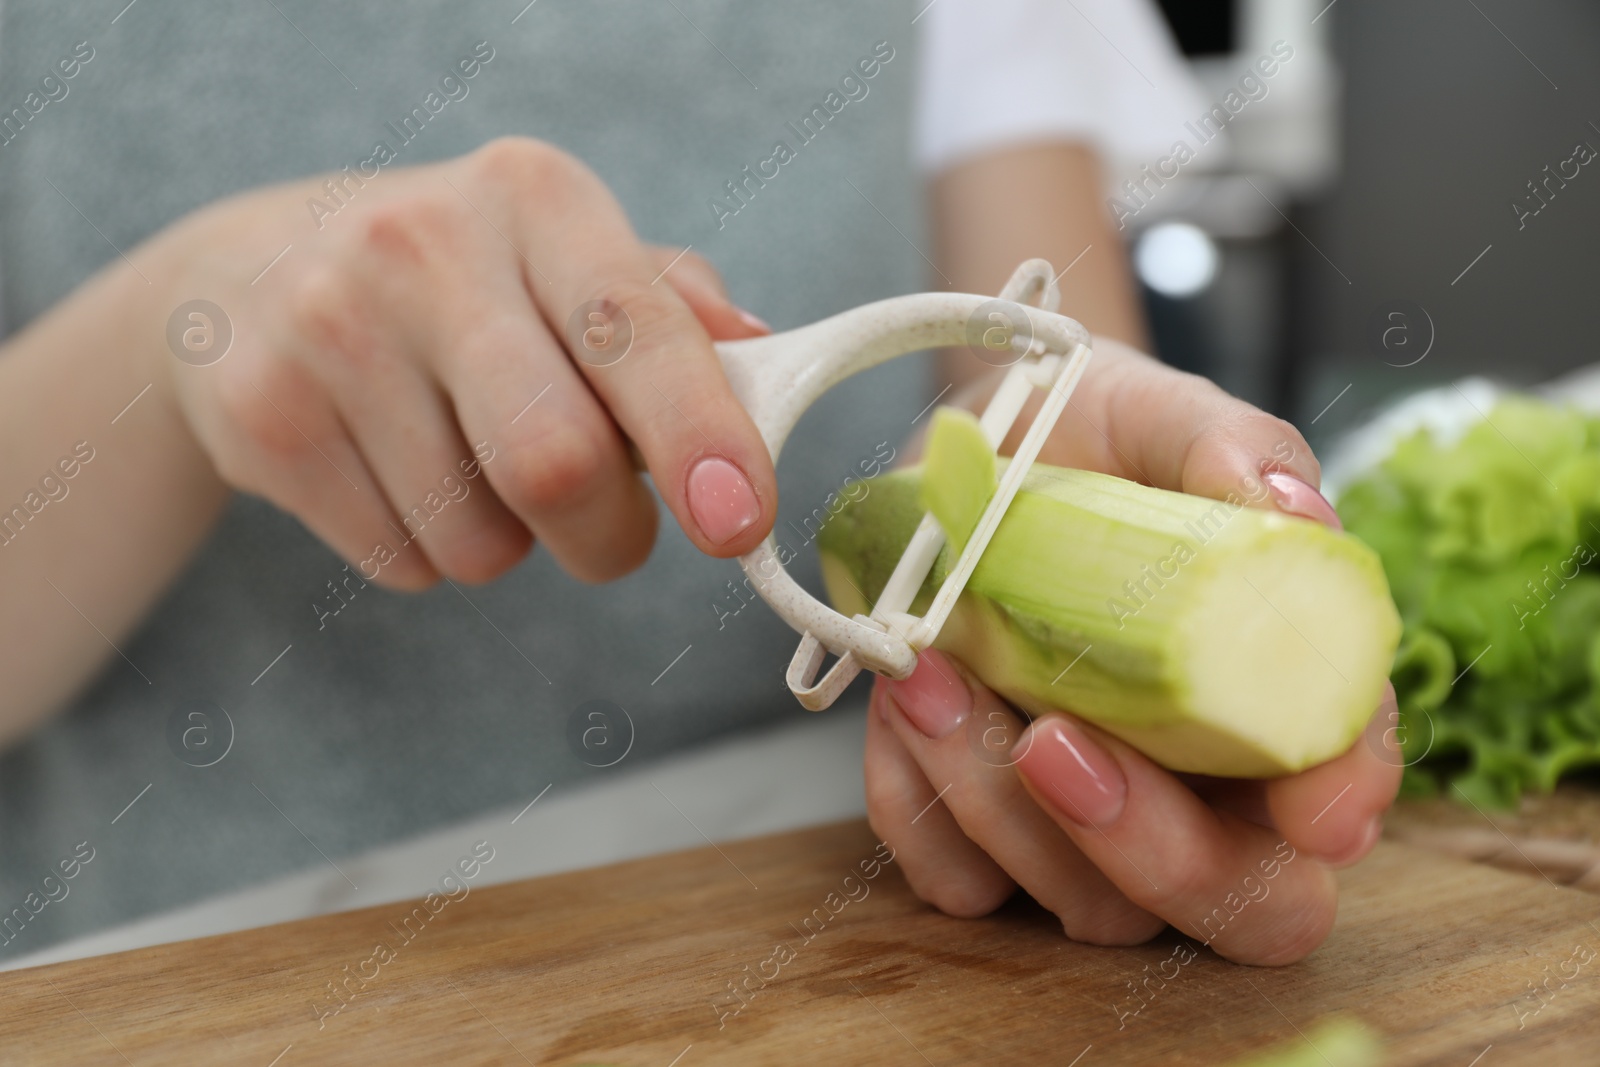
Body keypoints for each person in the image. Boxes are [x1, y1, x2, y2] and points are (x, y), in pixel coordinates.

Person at [0, 0, 1395, 967]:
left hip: (830, 949)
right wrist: (167, 335)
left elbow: (1027, 388)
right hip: (163, 976)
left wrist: (1070, 550)